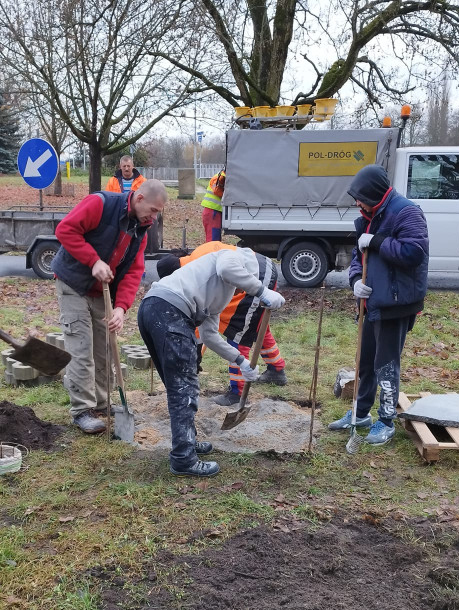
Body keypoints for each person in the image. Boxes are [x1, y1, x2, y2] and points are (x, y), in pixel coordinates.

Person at [138, 246, 286, 477]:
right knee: (184, 389)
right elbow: (229, 268)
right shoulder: (232, 256)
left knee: (177, 386)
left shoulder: (219, 289)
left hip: (154, 309)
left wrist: (241, 361)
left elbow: (210, 336)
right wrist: (262, 291)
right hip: (169, 311)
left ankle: (186, 441)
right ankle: (183, 460)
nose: (244, 287)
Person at [52, 179, 168, 434]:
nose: (154, 216)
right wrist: (93, 261)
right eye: (154, 210)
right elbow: (66, 230)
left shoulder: (141, 228)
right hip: (73, 282)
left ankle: (103, 404)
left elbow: (134, 271)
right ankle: (82, 410)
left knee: (104, 347)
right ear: (139, 199)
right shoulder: (100, 204)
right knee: (81, 346)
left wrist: (121, 308)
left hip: (102, 291)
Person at [329, 164, 429, 447]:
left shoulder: (406, 212)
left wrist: (377, 241)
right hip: (370, 302)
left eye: (360, 197)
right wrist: (353, 282)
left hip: (395, 304)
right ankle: (361, 414)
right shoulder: (369, 215)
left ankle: (385, 421)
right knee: (366, 362)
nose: (357, 203)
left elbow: (414, 252)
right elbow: (356, 257)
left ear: (374, 194)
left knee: (386, 365)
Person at [156, 241, 288, 407]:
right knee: (254, 325)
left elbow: (226, 270)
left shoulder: (197, 271)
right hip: (261, 266)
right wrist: (240, 360)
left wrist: (262, 292)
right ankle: (276, 370)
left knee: (237, 332)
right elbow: (207, 331)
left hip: (257, 274)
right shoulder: (197, 259)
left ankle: (237, 393)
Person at [201, 168, 225, 242]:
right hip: (213, 212)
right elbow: (217, 191)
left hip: (212, 212)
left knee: (214, 240)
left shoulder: (220, 176)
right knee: (213, 241)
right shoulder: (221, 178)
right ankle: (212, 253)